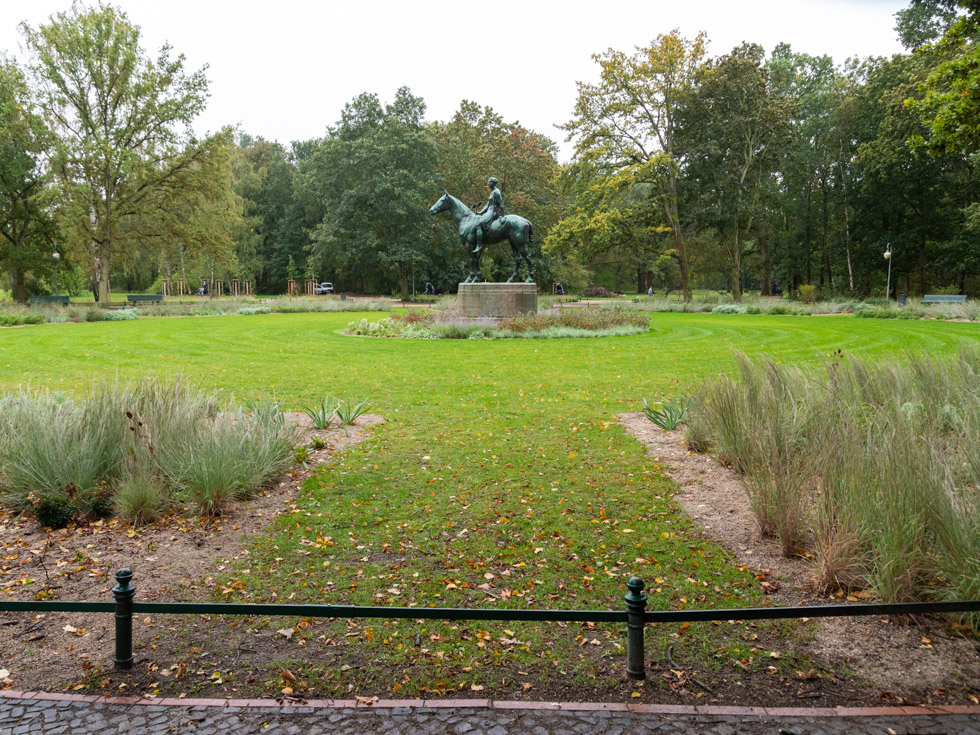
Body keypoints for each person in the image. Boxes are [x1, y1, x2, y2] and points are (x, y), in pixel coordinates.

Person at [473, 177, 504, 253]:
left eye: (490, 182)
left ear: (493, 183)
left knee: (478, 224)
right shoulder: (492, 192)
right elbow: (487, 205)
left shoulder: (497, 192)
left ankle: (479, 245)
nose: (488, 183)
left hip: (493, 212)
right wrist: (480, 212)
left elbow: (501, 204)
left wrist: (503, 216)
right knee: (477, 219)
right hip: (489, 211)